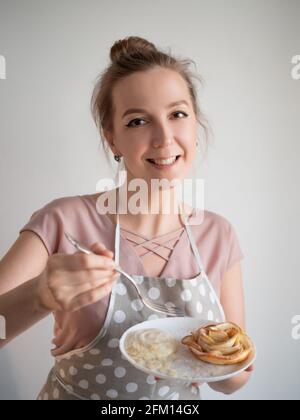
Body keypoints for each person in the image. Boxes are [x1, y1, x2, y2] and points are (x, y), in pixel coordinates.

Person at [0, 36, 253, 400]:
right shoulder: (64, 221)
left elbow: (232, 380)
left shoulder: (218, 235)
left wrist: (224, 363)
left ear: (195, 124)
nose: (164, 137)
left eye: (177, 114)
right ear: (113, 140)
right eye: (137, 121)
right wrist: (39, 296)